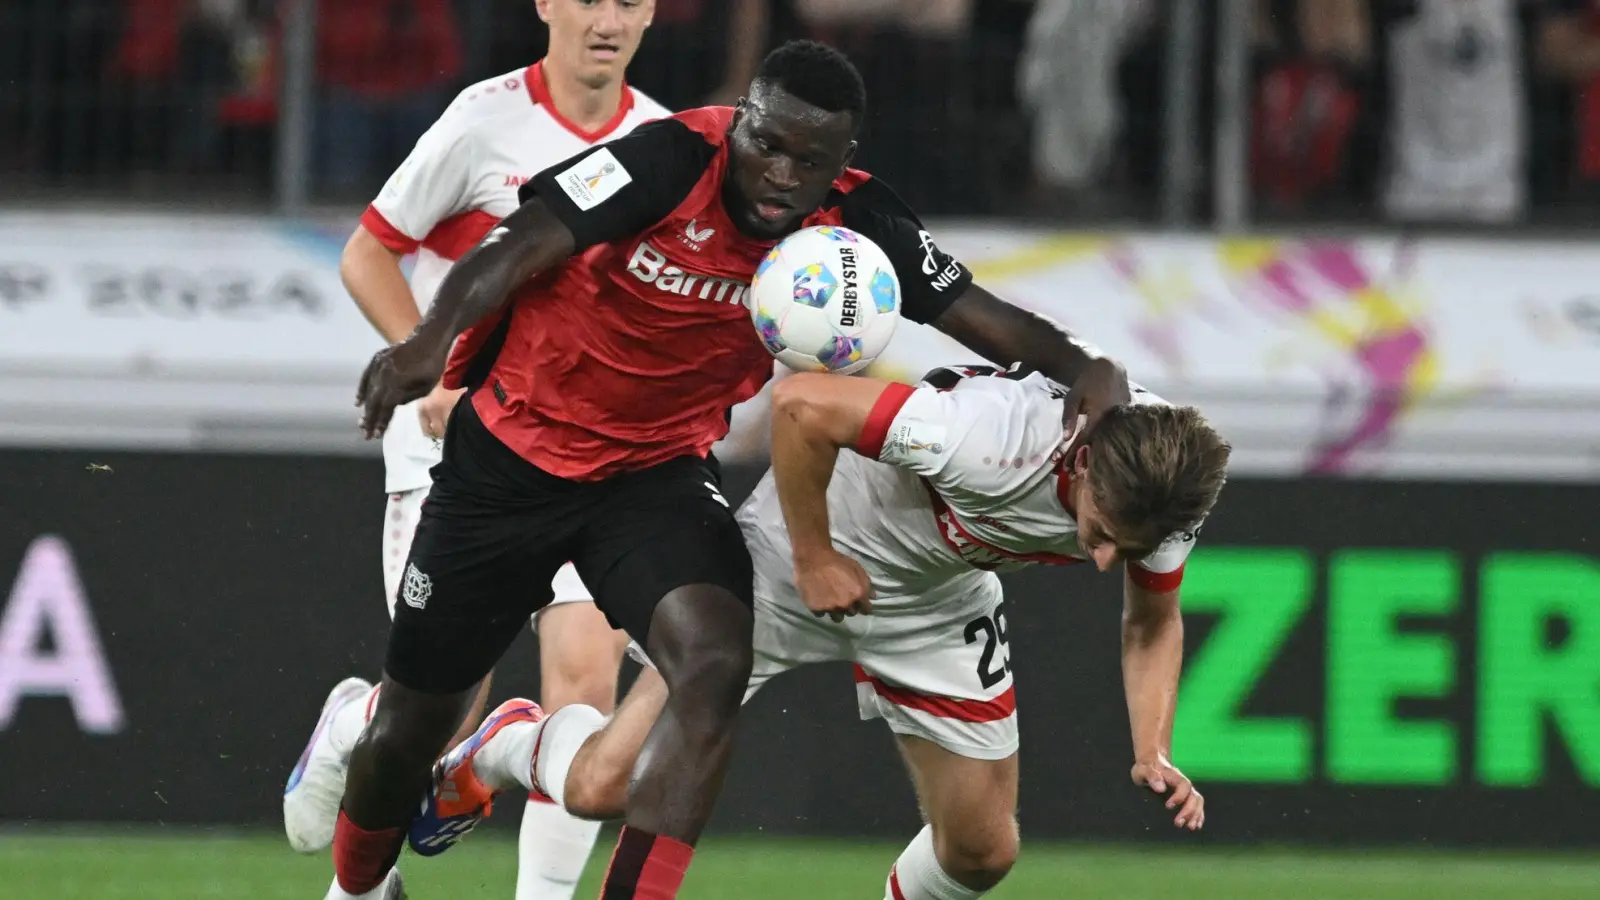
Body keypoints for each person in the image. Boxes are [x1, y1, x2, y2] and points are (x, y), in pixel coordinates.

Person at [341, 39, 1132, 900]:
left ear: (841, 165)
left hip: (653, 476)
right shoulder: (668, 156)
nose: (780, 173)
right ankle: (355, 889)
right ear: (743, 121)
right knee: (407, 732)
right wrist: (427, 340)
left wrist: (1084, 366)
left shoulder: (858, 226)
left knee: (715, 660)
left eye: (809, 160)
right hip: (510, 463)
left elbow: (981, 316)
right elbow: (516, 242)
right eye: (767, 144)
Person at [411, 363, 1229, 900]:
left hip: (937, 597)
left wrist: (1152, 748)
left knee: (983, 851)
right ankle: (508, 743)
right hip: (804, 549)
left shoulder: (1163, 497)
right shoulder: (986, 440)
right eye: (1099, 531)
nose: (1104, 560)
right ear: (1080, 463)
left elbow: (1150, 621)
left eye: (1128, 547)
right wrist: (813, 557)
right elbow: (803, 405)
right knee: (602, 789)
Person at [282, 2, 667, 898]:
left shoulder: (659, 142)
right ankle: (353, 728)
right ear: (546, 3)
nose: (607, 19)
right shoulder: (481, 119)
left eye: (629, 0)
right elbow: (368, 253)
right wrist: (438, 372)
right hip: (453, 450)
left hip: (580, 457)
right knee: (436, 713)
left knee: (584, 685)